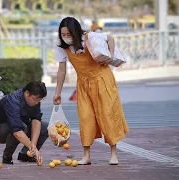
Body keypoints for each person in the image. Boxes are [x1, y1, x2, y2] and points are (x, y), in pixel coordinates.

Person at [53, 17, 129, 165]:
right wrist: (58, 92)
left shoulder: (89, 37)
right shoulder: (62, 47)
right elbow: (61, 71)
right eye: (63, 35)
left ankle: (114, 154)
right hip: (83, 84)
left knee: (107, 115)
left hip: (102, 79)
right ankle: (86, 156)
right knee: (85, 118)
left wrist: (111, 55)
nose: (66, 38)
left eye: (69, 34)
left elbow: (110, 38)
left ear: (76, 32)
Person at [0, 81, 48, 165]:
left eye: (39, 100)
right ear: (27, 93)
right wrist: (35, 150)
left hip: (19, 126)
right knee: (22, 127)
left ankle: (26, 155)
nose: (36, 103)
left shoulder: (35, 100)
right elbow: (17, 132)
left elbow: (36, 120)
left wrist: (33, 146)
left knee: (46, 127)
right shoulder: (13, 101)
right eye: (35, 99)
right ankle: (7, 157)